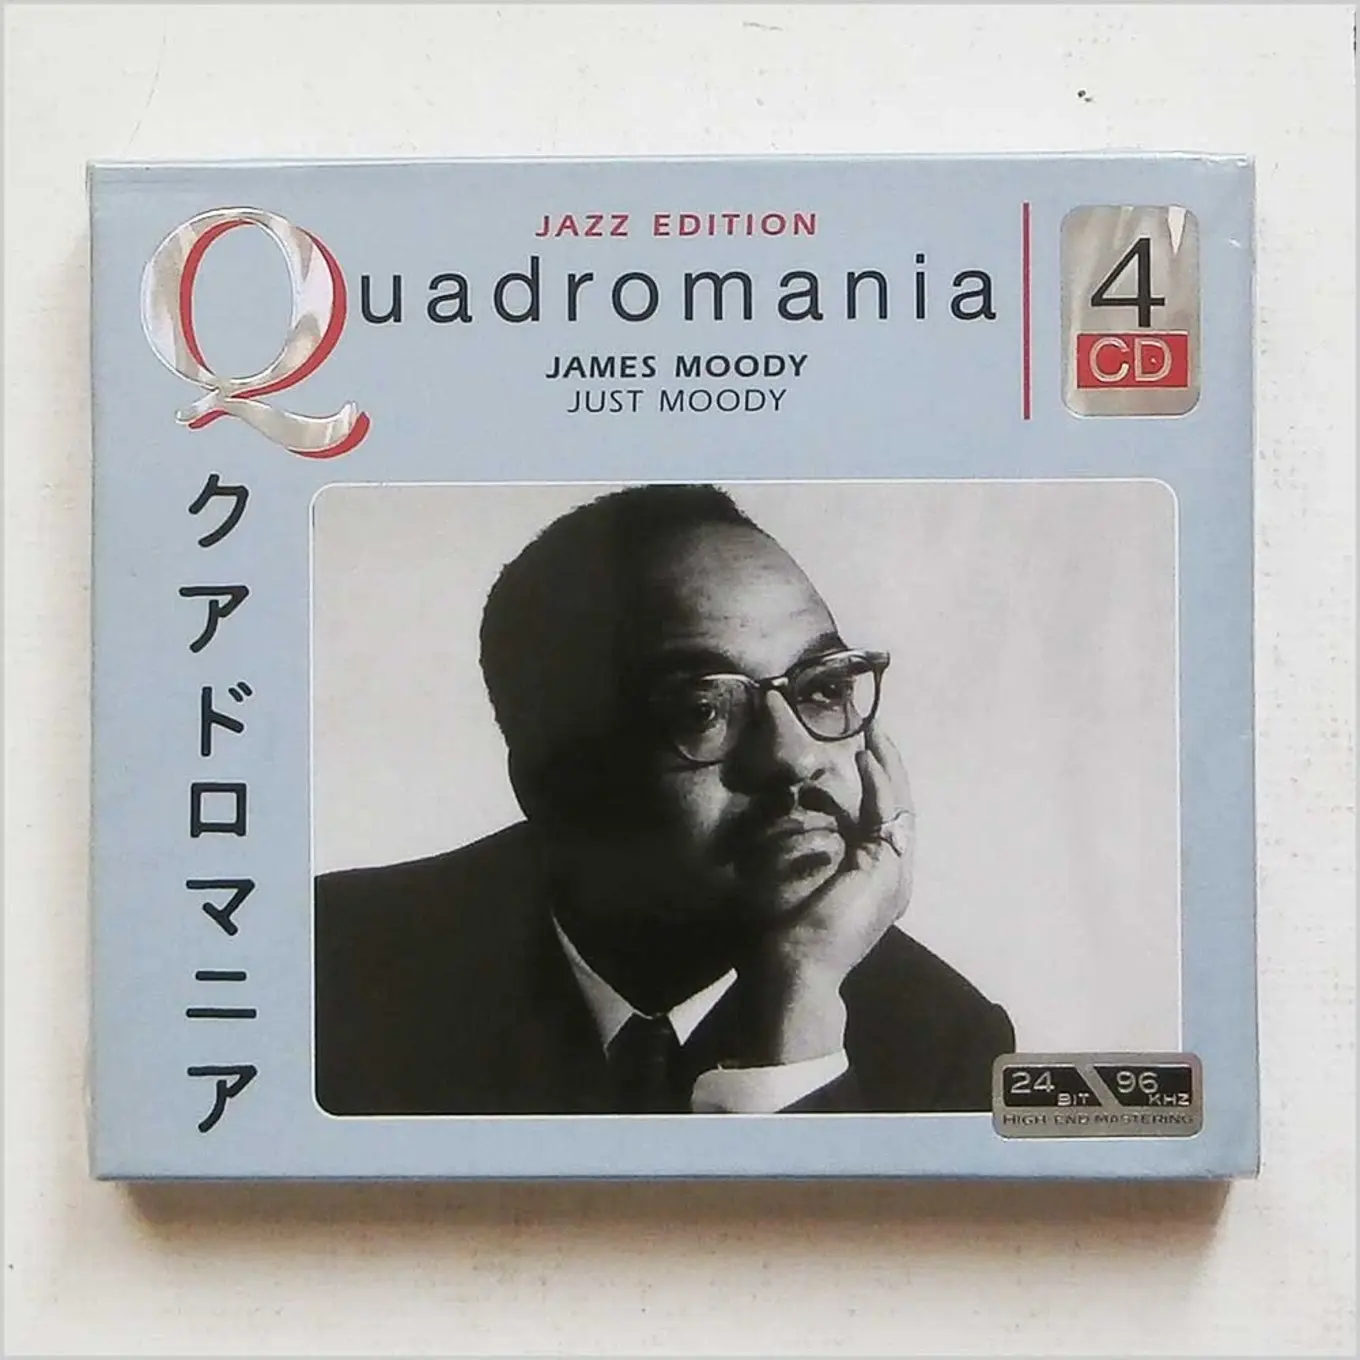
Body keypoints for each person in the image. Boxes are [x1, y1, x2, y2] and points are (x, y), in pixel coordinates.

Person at [315, 484, 1013, 1115]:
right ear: (550, 781)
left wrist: (798, 1030)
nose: (795, 757)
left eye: (822, 689)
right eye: (702, 710)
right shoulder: (328, 969)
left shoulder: (944, 1050)